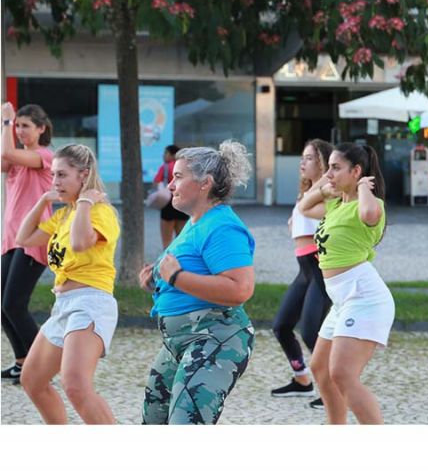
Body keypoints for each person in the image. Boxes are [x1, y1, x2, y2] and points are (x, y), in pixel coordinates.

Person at [138, 140, 256, 425]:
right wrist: (157, 280)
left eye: (178, 177)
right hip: (178, 341)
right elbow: (187, 275)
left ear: (205, 183)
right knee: (154, 421)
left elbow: (240, 289)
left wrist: (176, 277)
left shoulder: (221, 226)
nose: (169, 185)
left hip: (214, 336)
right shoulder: (195, 223)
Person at [15, 144, 120, 424]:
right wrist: (42, 201)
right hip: (63, 305)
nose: (55, 182)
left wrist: (85, 202)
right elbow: (23, 238)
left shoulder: (100, 212)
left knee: (75, 386)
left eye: (61, 175)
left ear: (83, 176)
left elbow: (79, 243)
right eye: (53, 175)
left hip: (90, 302)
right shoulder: (63, 214)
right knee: (33, 380)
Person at [297, 142, 394, 425]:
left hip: (364, 297)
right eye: (328, 167)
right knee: (320, 369)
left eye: (336, 168)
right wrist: (325, 189)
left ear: (357, 171)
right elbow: (304, 206)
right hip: (343, 299)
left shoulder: (372, 205)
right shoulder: (336, 205)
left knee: (341, 373)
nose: (329, 173)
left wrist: (364, 188)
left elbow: (368, 215)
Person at [271, 139, 333, 407]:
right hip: (303, 270)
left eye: (309, 158)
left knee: (311, 332)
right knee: (281, 326)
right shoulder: (307, 191)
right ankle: (302, 379)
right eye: (302, 157)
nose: (302, 162)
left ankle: (334, 389)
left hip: (319, 267)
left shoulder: (328, 188)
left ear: (322, 162)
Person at [1, 103, 54, 383]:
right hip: (11, 239)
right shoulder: (17, 159)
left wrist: (6, 121)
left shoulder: (44, 155)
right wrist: (6, 126)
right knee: (2, 306)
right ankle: (23, 362)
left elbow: (5, 153)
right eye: (18, 126)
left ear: (41, 129)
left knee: (14, 304)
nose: (20, 131)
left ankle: (41, 366)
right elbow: (3, 161)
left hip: (34, 239)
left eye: (26, 126)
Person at [154, 144, 189, 249]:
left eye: (166, 153)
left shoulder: (165, 167)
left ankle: (167, 261)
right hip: (183, 203)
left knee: (167, 241)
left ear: (172, 154)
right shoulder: (185, 167)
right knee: (181, 238)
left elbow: (156, 182)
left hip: (168, 203)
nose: (164, 156)